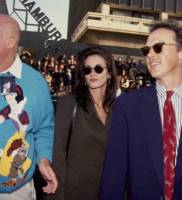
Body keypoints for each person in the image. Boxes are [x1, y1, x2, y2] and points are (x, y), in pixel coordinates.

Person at [100, 20, 182, 200]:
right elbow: (113, 177)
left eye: (158, 47)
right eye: (146, 50)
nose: (150, 55)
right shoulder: (127, 106)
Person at [46, 46, 117, 200]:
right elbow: (58, 153)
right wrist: (58, 194)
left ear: (109, 73)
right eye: (87, 70)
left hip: (107, 191)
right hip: (74, 191)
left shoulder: (119, 109)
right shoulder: (69, 104)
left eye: (98, 68)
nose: (92, 73)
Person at [0, 14, 57, 199]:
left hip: (15, 191)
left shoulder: (36, 83)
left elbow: (45, 128)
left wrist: (43, 159)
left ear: (10, 42)